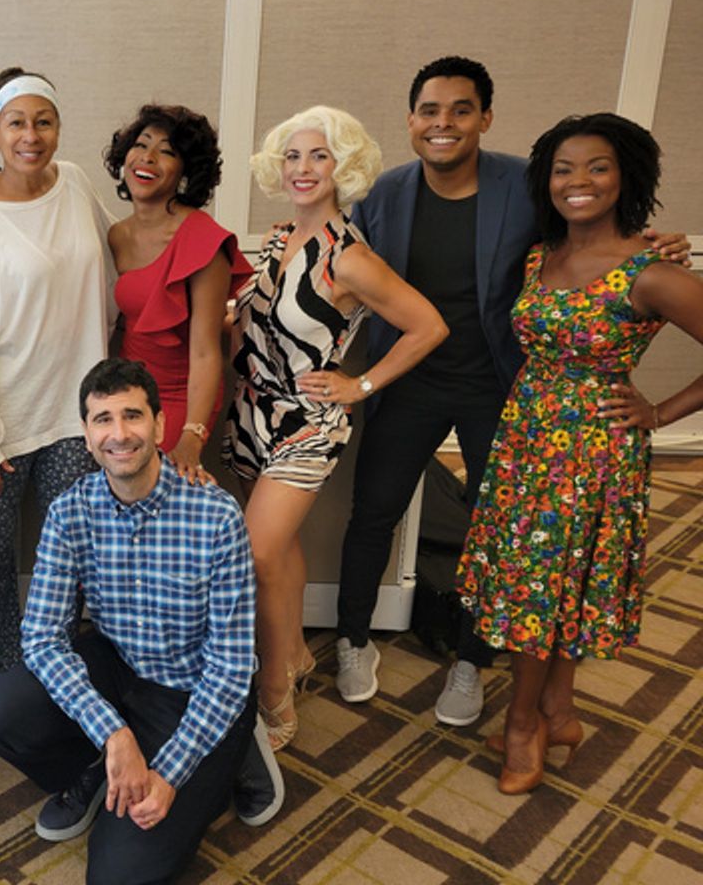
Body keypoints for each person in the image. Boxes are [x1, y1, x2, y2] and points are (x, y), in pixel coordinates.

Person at [333, 57, 690, 725]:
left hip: (499, 387)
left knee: (495, 534)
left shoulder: (523, 189)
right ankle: (353, 638)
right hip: (407, 382)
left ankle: (473, 661)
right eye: (430, 111)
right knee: (372, 512)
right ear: (412, 121)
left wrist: (654, 242)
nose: (444, 124)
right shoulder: (385, 193)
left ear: (485, 118)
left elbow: (589, 236)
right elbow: (342, 268)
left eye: (461, 110)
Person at [458, 113, 703, 793]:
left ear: (626, 174)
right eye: (564, 168)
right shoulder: (542, 255)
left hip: (590, 456)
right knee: (546, 585)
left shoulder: (648, 272)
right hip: (527, 441)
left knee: (541, 591)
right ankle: (560, 710)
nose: (579, 181)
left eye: (597, 166)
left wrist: (658, 413)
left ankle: (522, 724)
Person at [0, 358, 282, 884]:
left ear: (159, 426)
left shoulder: (216, 515)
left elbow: (229, 669)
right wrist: (112, 733)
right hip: (118, 669)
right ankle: (99, 768)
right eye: (103, 420)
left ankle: (235, 755)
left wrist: (171, 772)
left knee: (118, 877)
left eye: (133, 416)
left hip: (194, 690)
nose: (119, 434)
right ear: (87, 436)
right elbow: (43, 639)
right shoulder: (71, 511)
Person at [224, 106, 448, 750]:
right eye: (292, 156)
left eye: (318, 156)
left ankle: (275, 693)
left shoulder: (348, 258)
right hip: (251, 414)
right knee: (282, 550)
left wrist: (361, 383)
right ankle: (293, 653)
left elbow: (428, 326)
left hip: (306, 424)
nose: (302, 169)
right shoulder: (275, 239)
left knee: (259, 552)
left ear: (343, 167)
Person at [0, 66, 114, 677]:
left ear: (58, 128)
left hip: (73, 414)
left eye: (43, 121)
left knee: (69, 554)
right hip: (2, 419)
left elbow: (123, 256)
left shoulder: (78, 185)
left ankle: (56, 666)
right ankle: (7, 673)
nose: (30, 135)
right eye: (17, 123)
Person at [104, 104, 251, 481]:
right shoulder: (116, 235)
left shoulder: (203, 240)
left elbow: (205, 351)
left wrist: (192, 435)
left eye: (167, 151)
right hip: (125, 393)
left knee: (160, 510)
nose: (148, 158)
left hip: (179, 397)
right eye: (141, 144)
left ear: (186, 171)